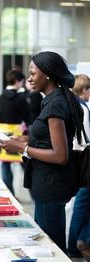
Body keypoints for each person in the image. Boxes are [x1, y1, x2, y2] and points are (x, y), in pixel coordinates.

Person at [0, 51, 84, 253]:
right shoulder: (56, 98)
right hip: (49, 184)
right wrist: (26, 138)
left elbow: (60, 155)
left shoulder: (55, 104)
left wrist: (23, 148)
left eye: (32, 74)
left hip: (51, 185)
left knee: (51, 249)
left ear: (47, 74)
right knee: (47, 245)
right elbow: (50, 138)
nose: (28, 79)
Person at [0, 69, 30, 195]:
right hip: (17, 135)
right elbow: (27, 117)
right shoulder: (20, 98)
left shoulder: (1, 96)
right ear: (17, 81)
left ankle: (9, 194)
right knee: (24, 162)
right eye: (21, 82)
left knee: (5, 164)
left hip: (3, 133)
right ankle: (33, 193)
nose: (22, 84)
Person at [68, 74, 90, 260]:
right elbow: (85, 140)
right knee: (81, 206)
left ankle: (82, 240)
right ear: (84, 90)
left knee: (83, 205)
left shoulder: (71, 104)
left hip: (76, 162)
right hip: (84, 163)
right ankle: (74, 246)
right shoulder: (82, 107)